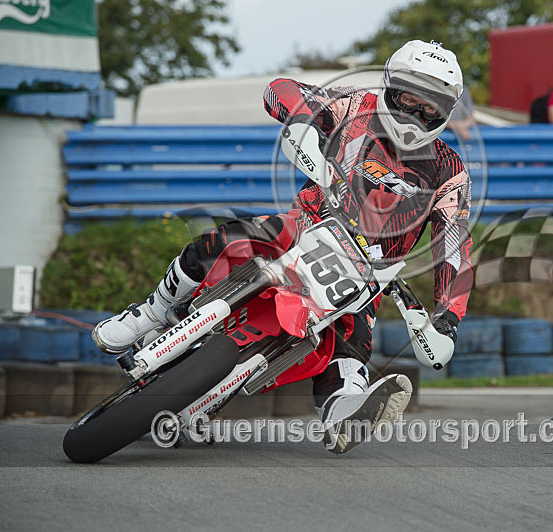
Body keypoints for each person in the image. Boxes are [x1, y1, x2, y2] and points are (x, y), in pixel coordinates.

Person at [92, 40, 474, 454]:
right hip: (304, 225)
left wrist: (446, 318)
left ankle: (345, 407)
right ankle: (147, 314)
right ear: (388, 87)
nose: (417, 115)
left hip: (365, 274)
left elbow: (454, 245)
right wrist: (303, 122)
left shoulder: (450, 172)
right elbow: (283, 88)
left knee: (351, 343)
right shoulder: (355, 107)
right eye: (408, 99)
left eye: (430, 108)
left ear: (446, 112)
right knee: (227, 240)